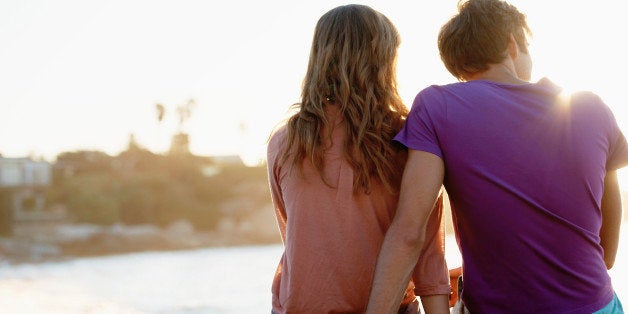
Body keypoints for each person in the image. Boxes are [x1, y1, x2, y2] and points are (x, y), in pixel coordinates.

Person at [366, 0, 628, 313]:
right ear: (512, 43)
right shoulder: (589, 106)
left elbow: (410, 231)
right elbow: (607, 253)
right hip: (596, 305)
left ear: (457, 63)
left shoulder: (437, 107)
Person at [266, 4, 451, 313]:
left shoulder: (285, 142)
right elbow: (427, 252)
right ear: (384, 61)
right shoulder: (409, 140)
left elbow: (296, 240)